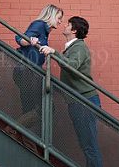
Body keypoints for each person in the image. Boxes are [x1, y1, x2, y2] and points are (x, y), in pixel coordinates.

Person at [41, 16, 103, 167]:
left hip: (84, 101)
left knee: (89, 146)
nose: (65, 26)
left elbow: (72, 65)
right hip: (78, 101)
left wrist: (53, 52)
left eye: (68, 24)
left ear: (74, 30)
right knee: (86, 145)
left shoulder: (79, 47)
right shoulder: (72, 47)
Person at [13, 4, 64, 129]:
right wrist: (29, 40)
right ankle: (14, 129)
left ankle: (20, 134)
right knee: (42, 107)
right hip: (26, 71)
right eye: (59, 17)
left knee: (30, 107)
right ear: (51, 16)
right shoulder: (39, 25)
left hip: (31, 71)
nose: (60, 21)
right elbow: (19, 38)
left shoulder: (46, 31)